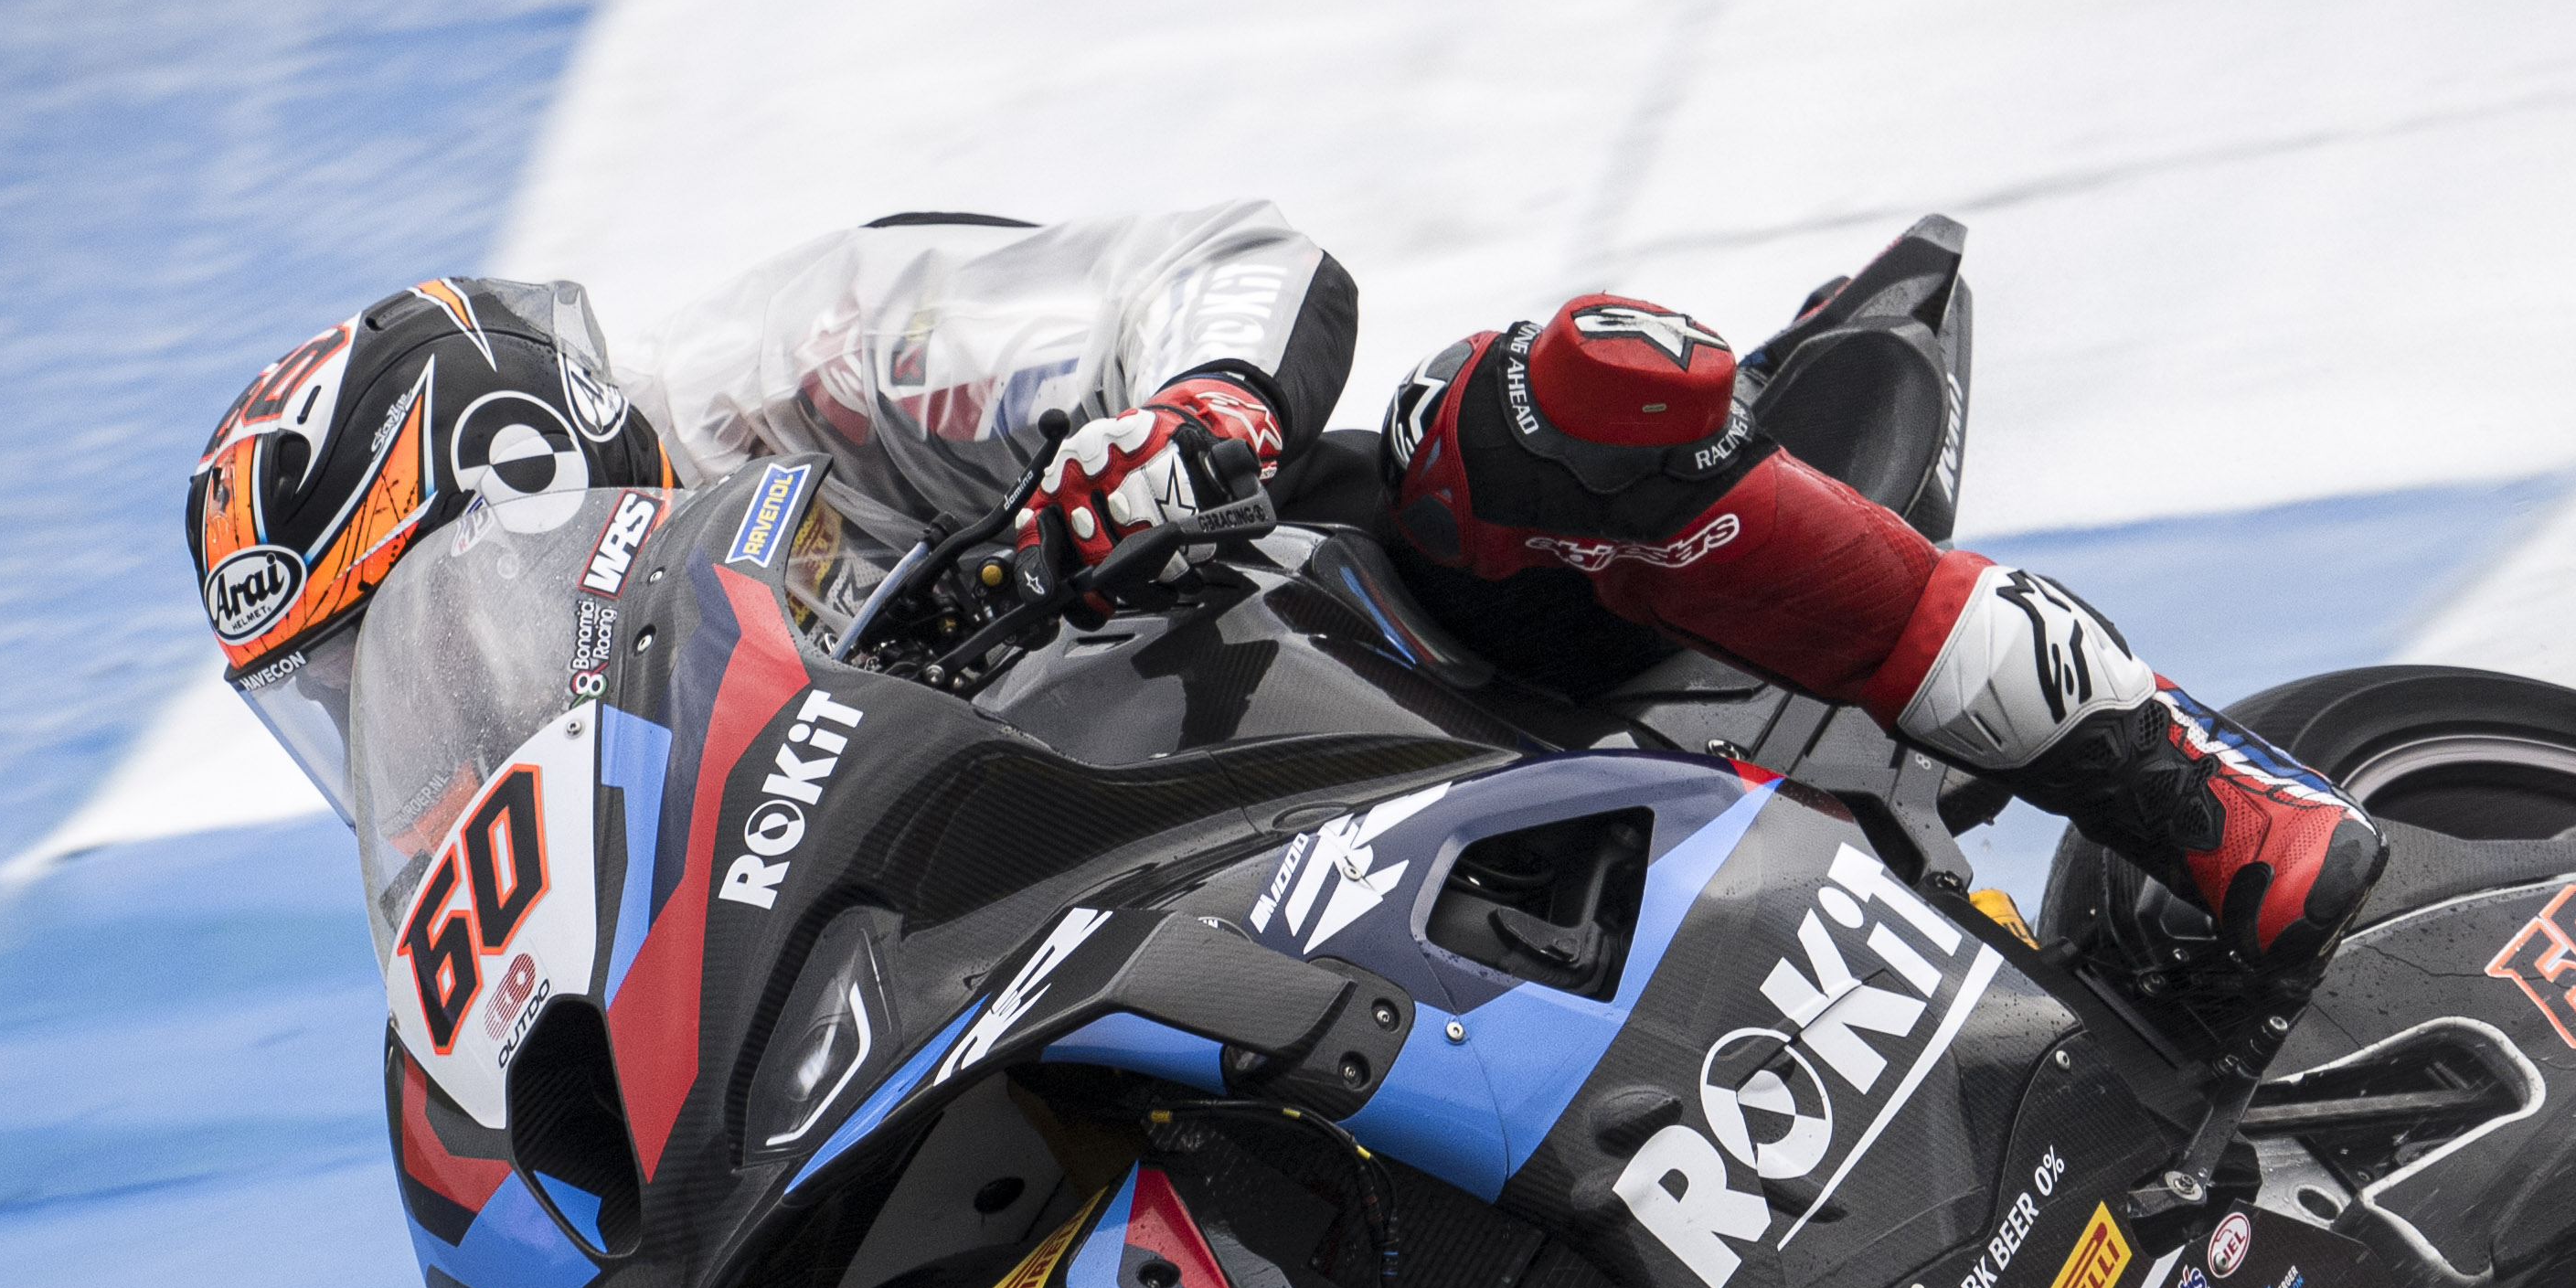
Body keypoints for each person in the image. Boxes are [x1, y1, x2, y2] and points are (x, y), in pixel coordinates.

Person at [185, 205, 2377, 973]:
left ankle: (2198, 791)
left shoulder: (775, 380)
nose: (416, 704)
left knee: (1538, 409)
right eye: (348, 697)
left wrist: (1194, 408)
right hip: (1056, 902)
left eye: (405, 633)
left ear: (525, 463)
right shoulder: (580, 815)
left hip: (1313, 642)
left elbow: (1219, 265)